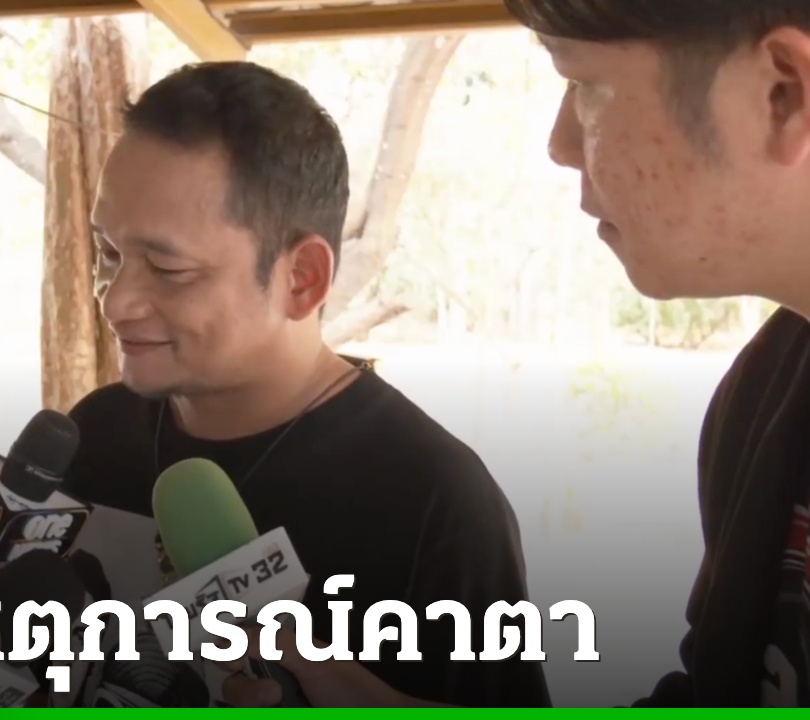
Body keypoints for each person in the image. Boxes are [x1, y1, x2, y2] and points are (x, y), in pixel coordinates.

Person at [220, 0, 810, 708]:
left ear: (782, 95)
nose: (560, 143)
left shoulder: (433, 489)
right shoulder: (766, 390)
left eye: (585, 84)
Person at [61, 61, 551, 707]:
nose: (116, 300)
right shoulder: (92, 433)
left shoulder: (438, 501)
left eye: (167, 268)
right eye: (108, 254)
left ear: (302, 279)